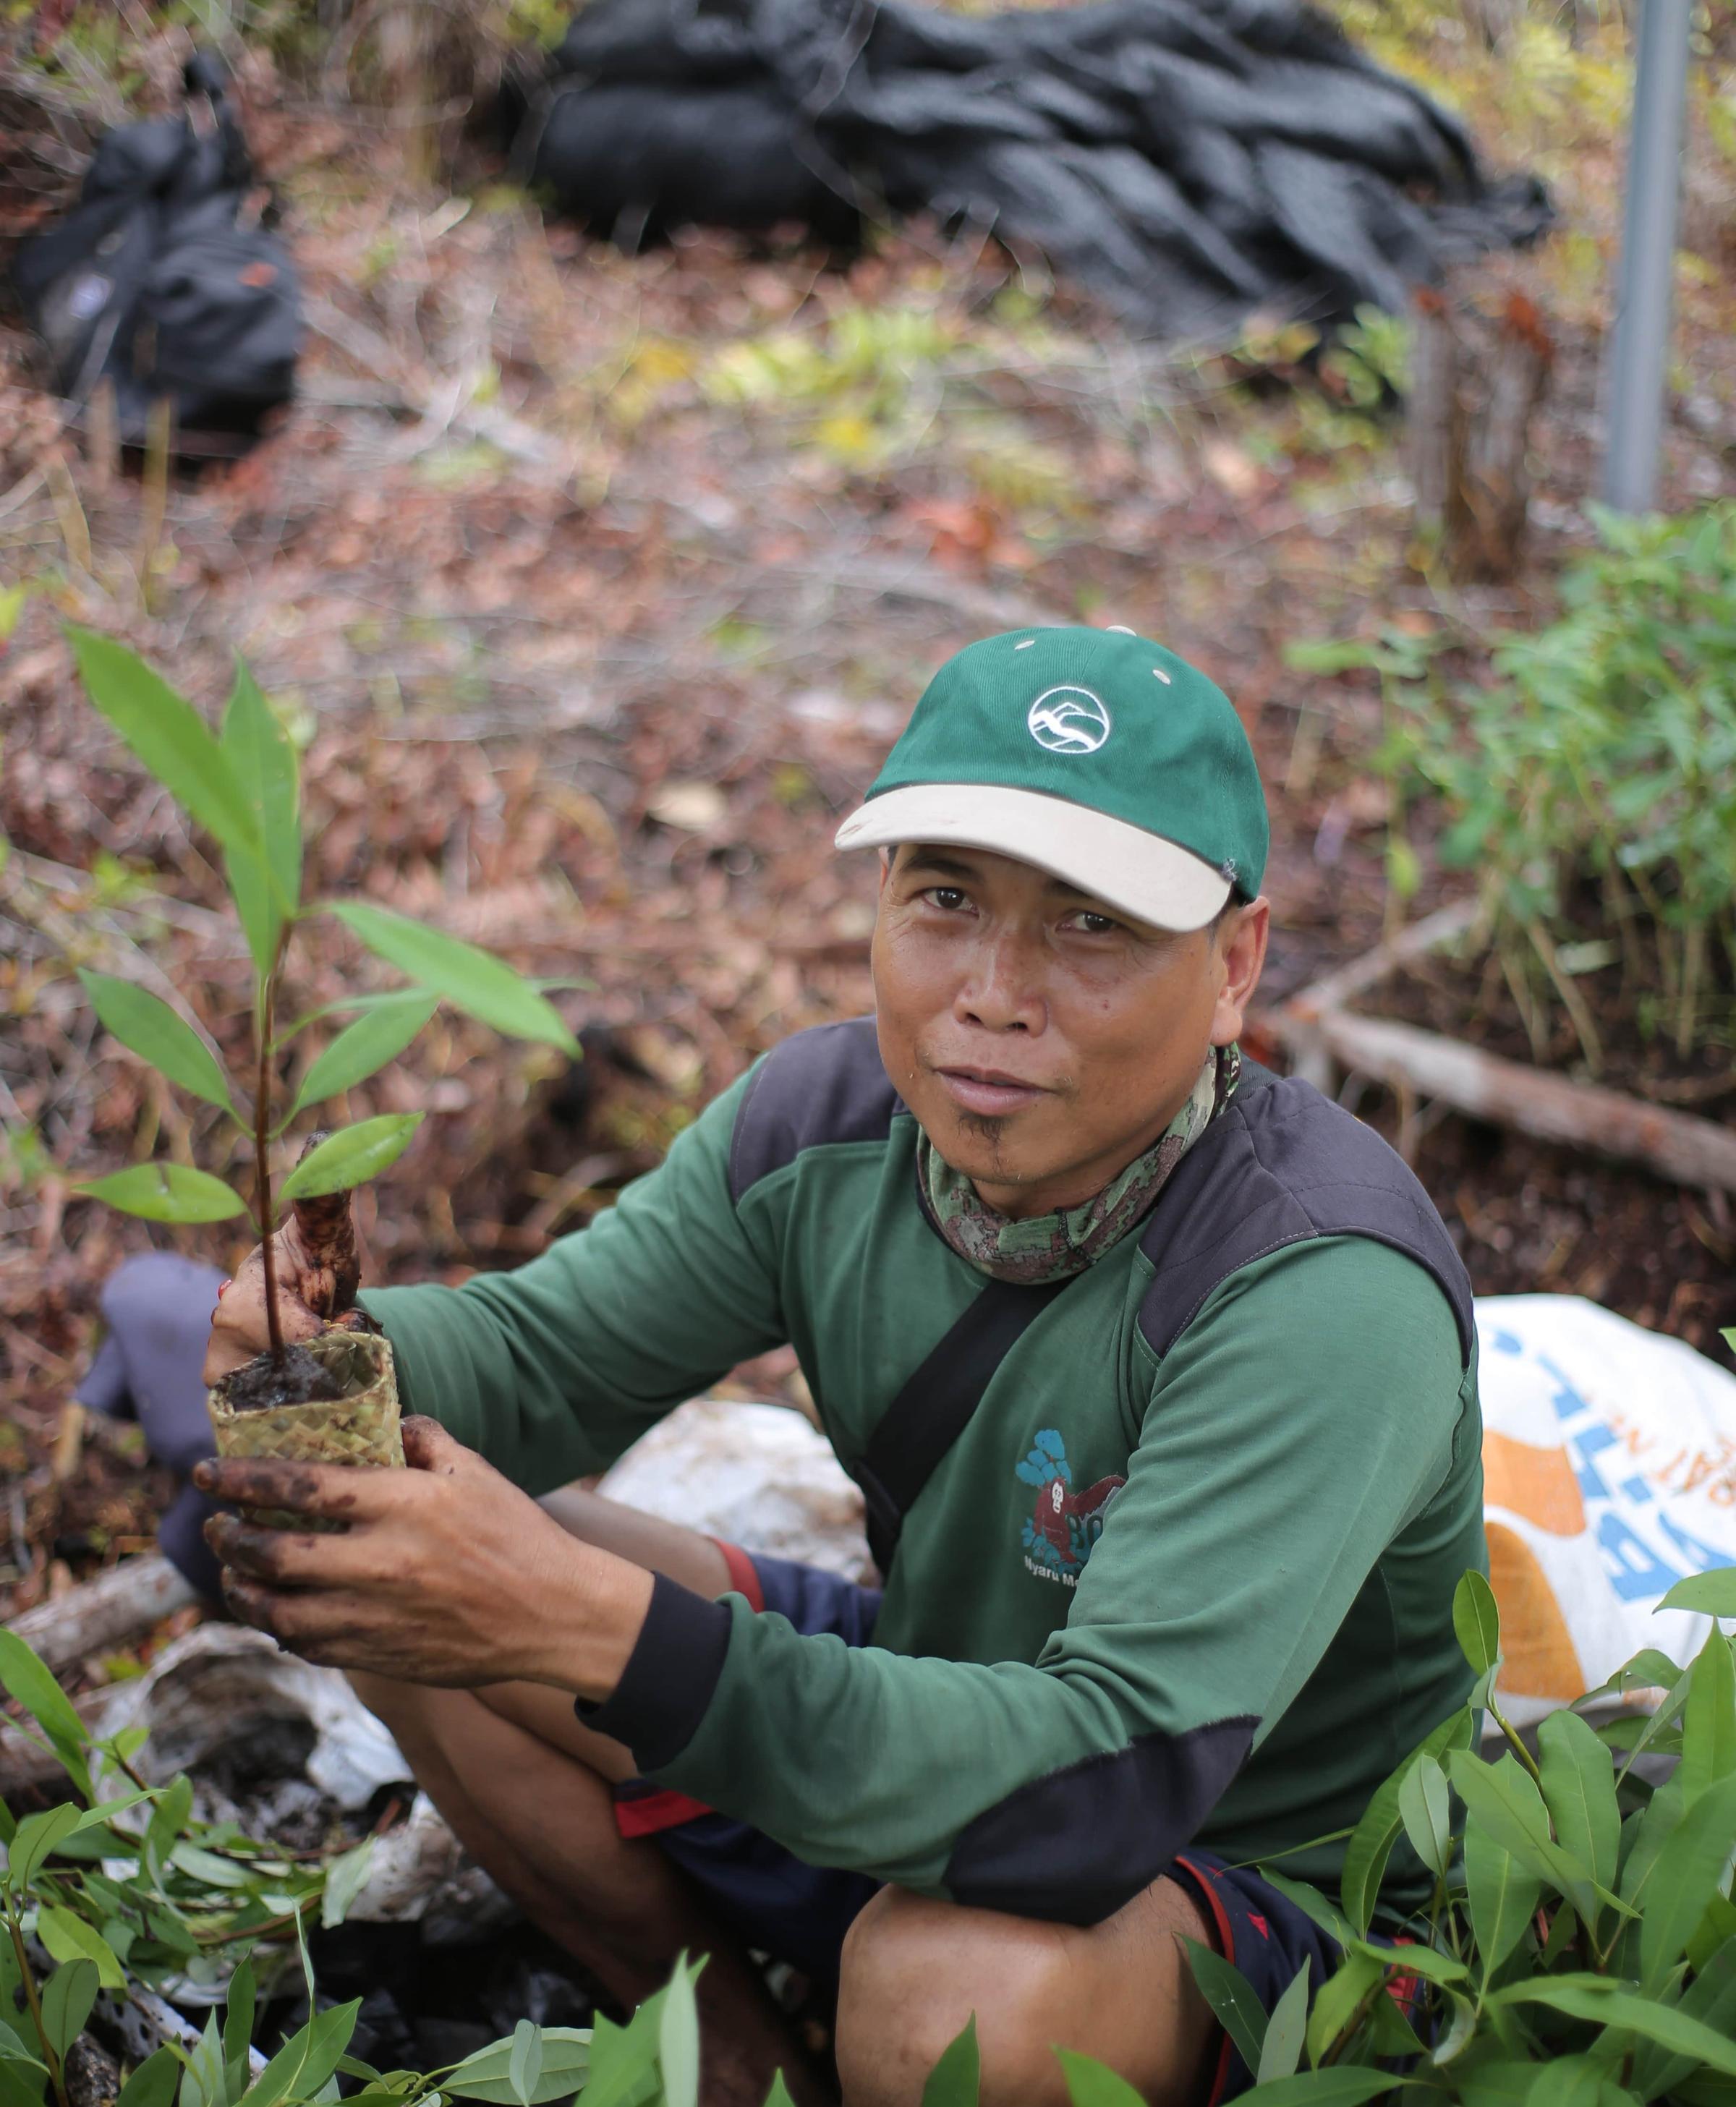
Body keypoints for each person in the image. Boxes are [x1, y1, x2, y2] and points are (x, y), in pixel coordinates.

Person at [198, 627, 1485, 2107]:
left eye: (1093, 926)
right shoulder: (829, 1127)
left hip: (1250, 1875)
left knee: (956, 2000)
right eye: (946, 897)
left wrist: (601, 1633)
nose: (994, 991)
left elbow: (1102, 1784)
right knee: (403, 1558)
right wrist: (340, 1345)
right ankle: (754, 2078)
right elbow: (542, 1356)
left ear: (1234, 965)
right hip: (943, 1709)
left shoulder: (1313, 1283)